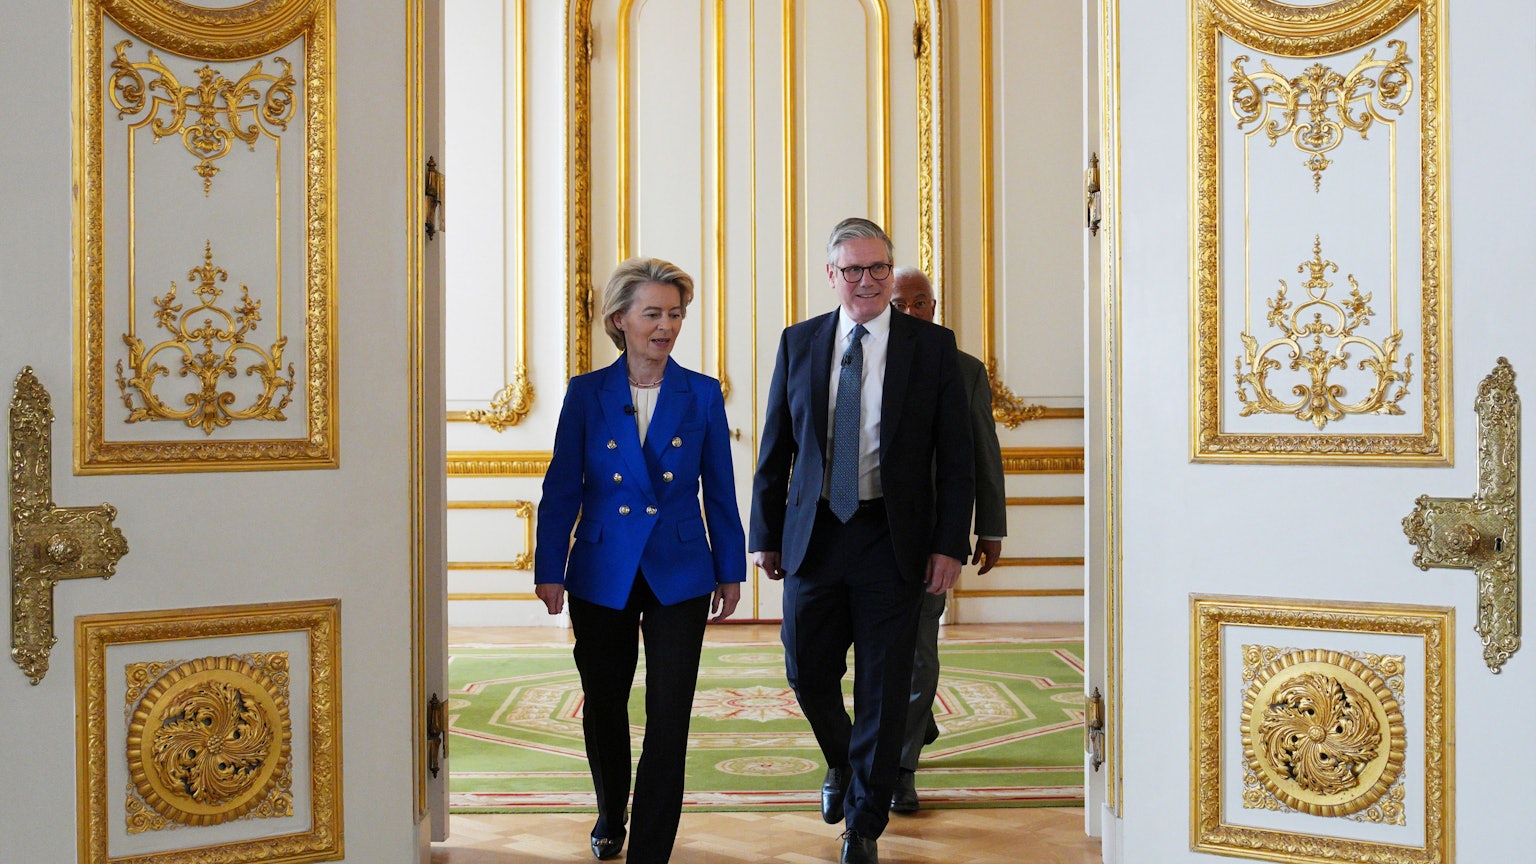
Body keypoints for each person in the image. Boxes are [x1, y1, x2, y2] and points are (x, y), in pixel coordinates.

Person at [749, 218, 974, 864]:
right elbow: (776, 449)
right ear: (832, 276)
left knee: (883, 682)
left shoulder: (930, 348)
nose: (869, 281)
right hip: (814, 537)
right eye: (854, 270)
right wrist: (765, 533)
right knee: (805, 668)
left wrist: (948, 544)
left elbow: (954, 458)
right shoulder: (800, 343)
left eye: (879, 268)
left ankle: (863, 825)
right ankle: (846, 762)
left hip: (891, 539)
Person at [535, 257, 746, 863]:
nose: (667, 325)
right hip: (602, 570)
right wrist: (551, 567)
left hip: (680, 569)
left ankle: (651, 848)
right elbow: (562, 487)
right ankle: (610, 811)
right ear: (619, 320)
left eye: (675, 313)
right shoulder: (586, 392)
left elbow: (720, 489)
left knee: (670, 711)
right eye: (653, 313)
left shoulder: (702, 393)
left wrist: (729, 569)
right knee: (604, 699)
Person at [887, 266, 1007, 814]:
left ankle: (900, 768)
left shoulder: (964, 371)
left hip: (930, 537)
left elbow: (984, 451)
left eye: (921, 303)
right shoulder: (857, 360)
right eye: (900, 303)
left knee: (916, 650)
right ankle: (913, 722)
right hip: (857, 535)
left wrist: (990, 526)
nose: (911, 312)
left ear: (933, 307)